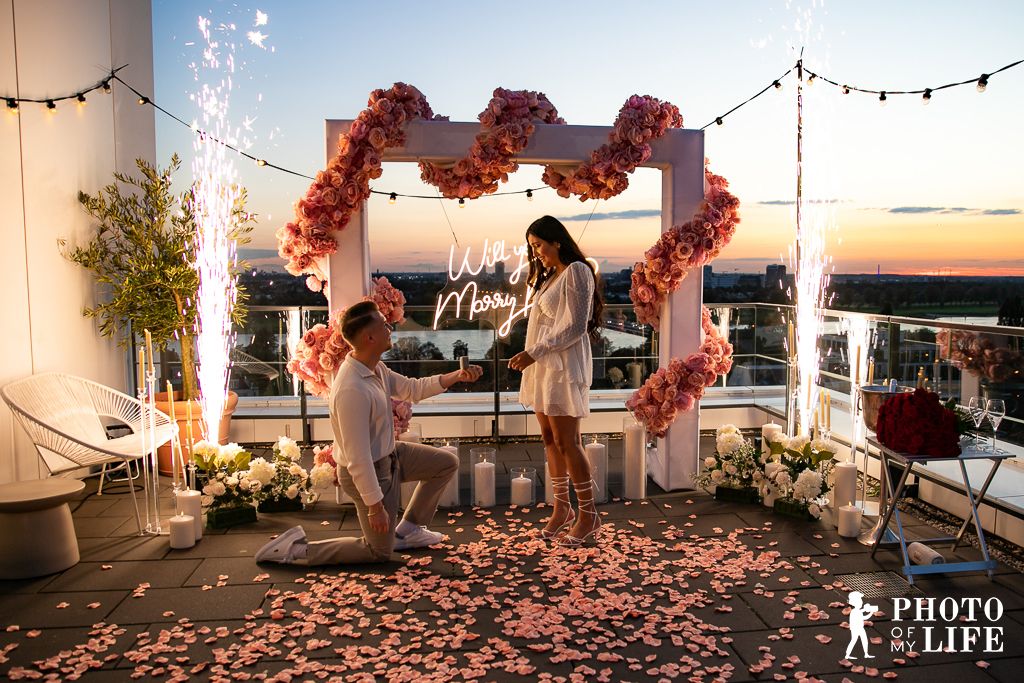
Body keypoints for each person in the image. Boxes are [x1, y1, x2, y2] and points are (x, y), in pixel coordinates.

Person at [256, 300, 483, 565]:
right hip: (370, 470)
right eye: (383, 325)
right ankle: (294, 551)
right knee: (379, 553)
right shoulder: (351, 389)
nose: (390, 328)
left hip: (391, 456)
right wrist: (376, 507)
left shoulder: (373, 366)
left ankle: (409, 530)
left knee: (446, 463)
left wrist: (456, 376)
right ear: (369, 337)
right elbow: (358, 458)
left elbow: (412, 389)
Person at [508, 215, 605, 547]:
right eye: (532, 247)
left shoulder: (577, 272)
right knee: (549, 438)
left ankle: (589, 515)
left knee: (568, 442)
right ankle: (562, 508)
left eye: (539, 245)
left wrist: (535, 351)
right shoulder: (551, 277)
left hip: (561, 365)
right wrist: (534, 356)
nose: (536, 253)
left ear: (557, 241)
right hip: (544, 365)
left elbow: (576, 325)